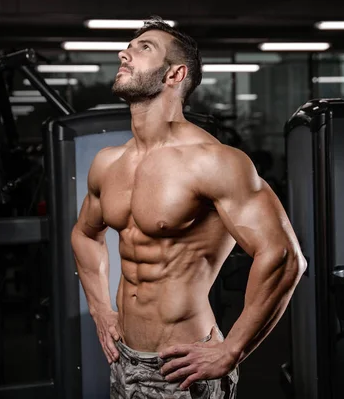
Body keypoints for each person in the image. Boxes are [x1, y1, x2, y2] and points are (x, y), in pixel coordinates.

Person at [70, 16, 307, 399]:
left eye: (143, 48)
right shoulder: (108, 162)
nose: (124, 54)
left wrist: (233, 349)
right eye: (128, 47)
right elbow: (85, 233)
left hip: (182, 366)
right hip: (123, 360)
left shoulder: (214, 162)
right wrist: (99, 308)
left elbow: (283, 256)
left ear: (174, 74)